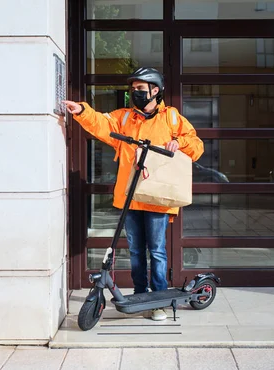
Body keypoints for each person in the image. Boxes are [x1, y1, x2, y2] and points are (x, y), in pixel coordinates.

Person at [62, 67, 204, 321]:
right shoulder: (125, 118)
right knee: (137, 251)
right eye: (133, 89)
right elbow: (102, 123)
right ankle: (140, 296)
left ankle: (159, 300)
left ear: (155, 90)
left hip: (158, 197)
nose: (135, 94)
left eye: (140, 89)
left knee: (157, 251)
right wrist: (82, 111)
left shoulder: (171, 118)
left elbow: (196, 144)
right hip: (131, 197)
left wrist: (178, 143)